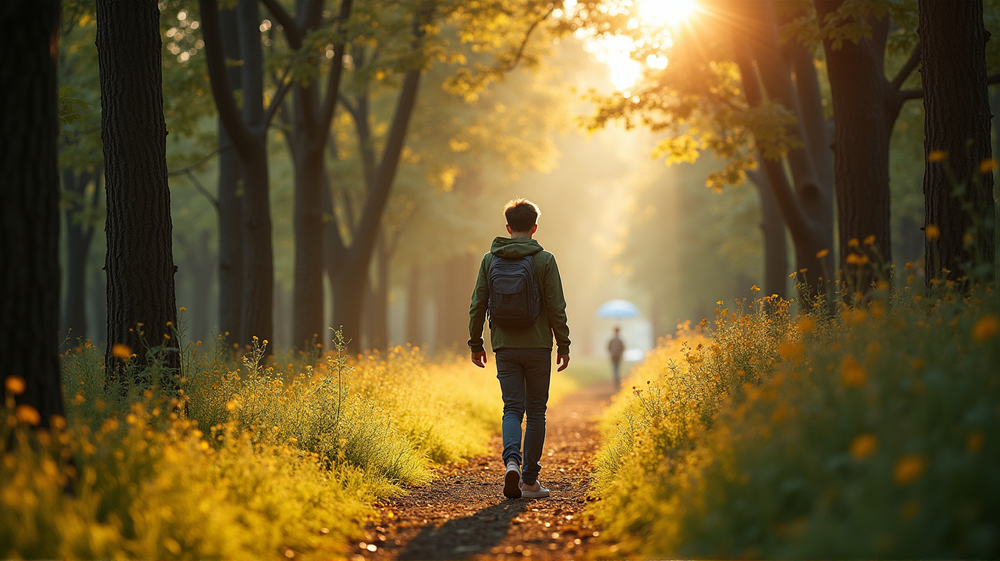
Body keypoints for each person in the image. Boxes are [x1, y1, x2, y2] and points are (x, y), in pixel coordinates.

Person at [468, 198, 571, 500]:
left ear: (508, 227)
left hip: (504, 346)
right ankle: (529, 481)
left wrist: (476, 344)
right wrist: (563, 344)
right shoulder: (545, 260)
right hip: (539, 346)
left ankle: (511, 461)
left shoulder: (490, 259)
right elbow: (556, 307)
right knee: (536, 411)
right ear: (535, 227)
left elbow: (477, 306)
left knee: (512, 408)